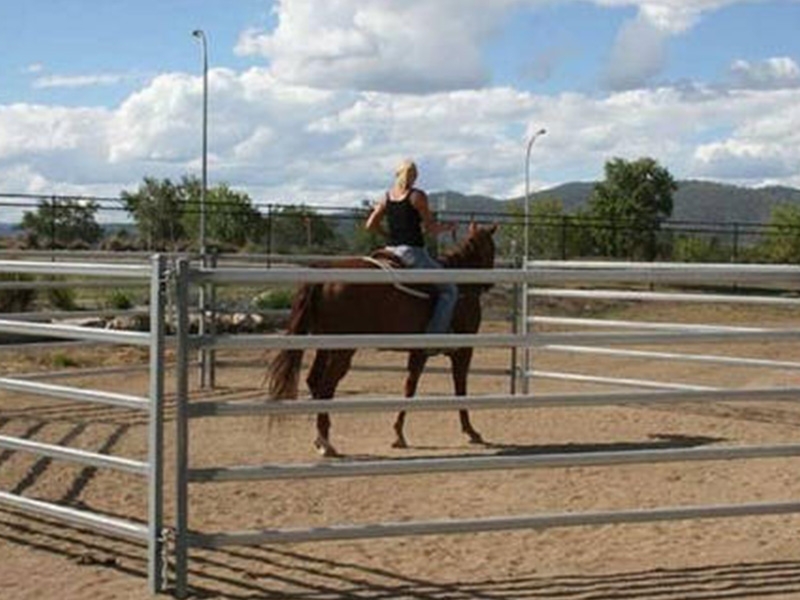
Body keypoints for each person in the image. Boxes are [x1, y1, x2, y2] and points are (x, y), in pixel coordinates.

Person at [365, 159, 458, 336]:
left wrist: (386, 235)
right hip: (412, 254)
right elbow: (431, 228)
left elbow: (370, 225)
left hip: (389, 251)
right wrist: (448, 227)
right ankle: (435, 336)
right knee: (450, 290)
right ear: (415, 177)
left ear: (396, 174)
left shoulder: (386, 197)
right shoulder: (417, 196)